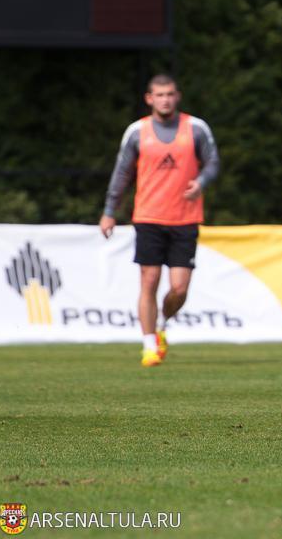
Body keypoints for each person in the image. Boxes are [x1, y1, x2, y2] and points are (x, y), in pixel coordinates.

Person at [99, 74, 219, 367]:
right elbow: (122, 173)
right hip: (148, 217)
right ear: (149, 99)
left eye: (169, 94)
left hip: (185, 218)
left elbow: (213, 163)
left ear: (177, 97)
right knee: (149, 280)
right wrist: (109, 211)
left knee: (179, 289)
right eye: (159, 95)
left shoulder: (196, 128)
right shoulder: (137, 132)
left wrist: (201, 183)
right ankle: (149, 345)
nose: (165, 100)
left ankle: (162, 322)